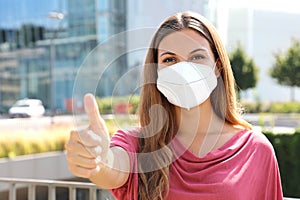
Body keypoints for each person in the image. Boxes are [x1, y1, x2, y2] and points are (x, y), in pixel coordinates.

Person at [65, 11, 283, 200]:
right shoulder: (138, 144)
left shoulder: (256, 150)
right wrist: (100, 160)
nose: (184, 69)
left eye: (197, 57)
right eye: (170, 60)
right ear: (156, 72)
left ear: (217, 68)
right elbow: (113, 168)